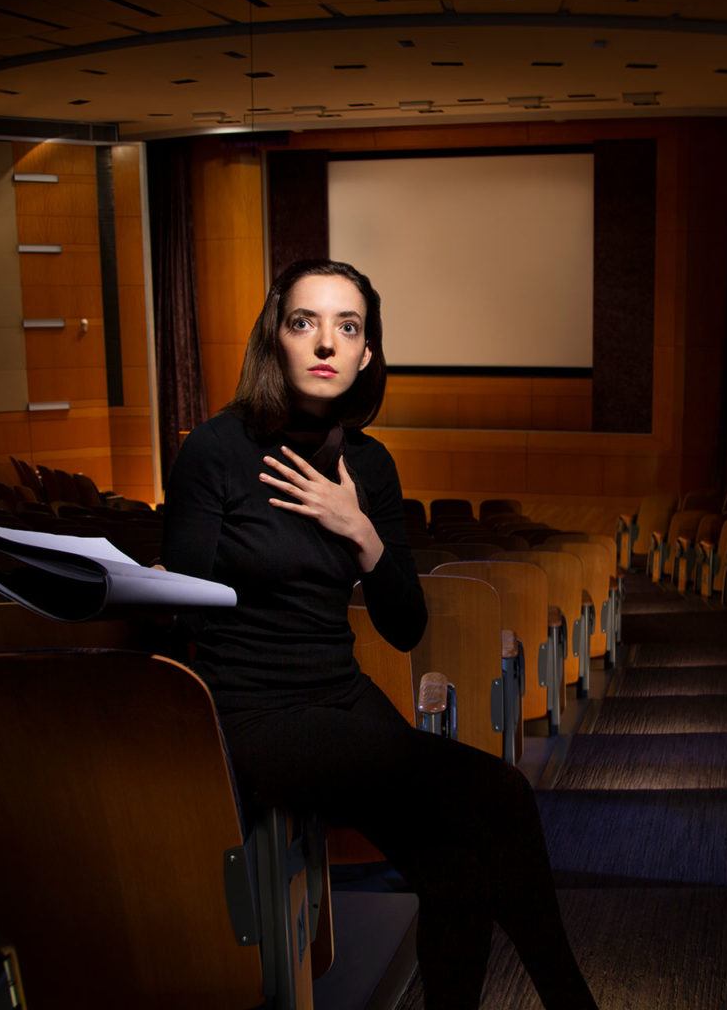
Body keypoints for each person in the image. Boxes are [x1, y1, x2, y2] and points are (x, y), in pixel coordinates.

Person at [161, 258, 596, 1009]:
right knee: (502, 792)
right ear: (275, 338)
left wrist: (360, 531)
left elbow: (405, 627)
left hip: (342, 697)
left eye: (348, 326)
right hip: (253, 711)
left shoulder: (370, 465)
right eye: (304, 322)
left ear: (366, 354)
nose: (325, 342)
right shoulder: (215, 450)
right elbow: (185, 610)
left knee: (456, 874)